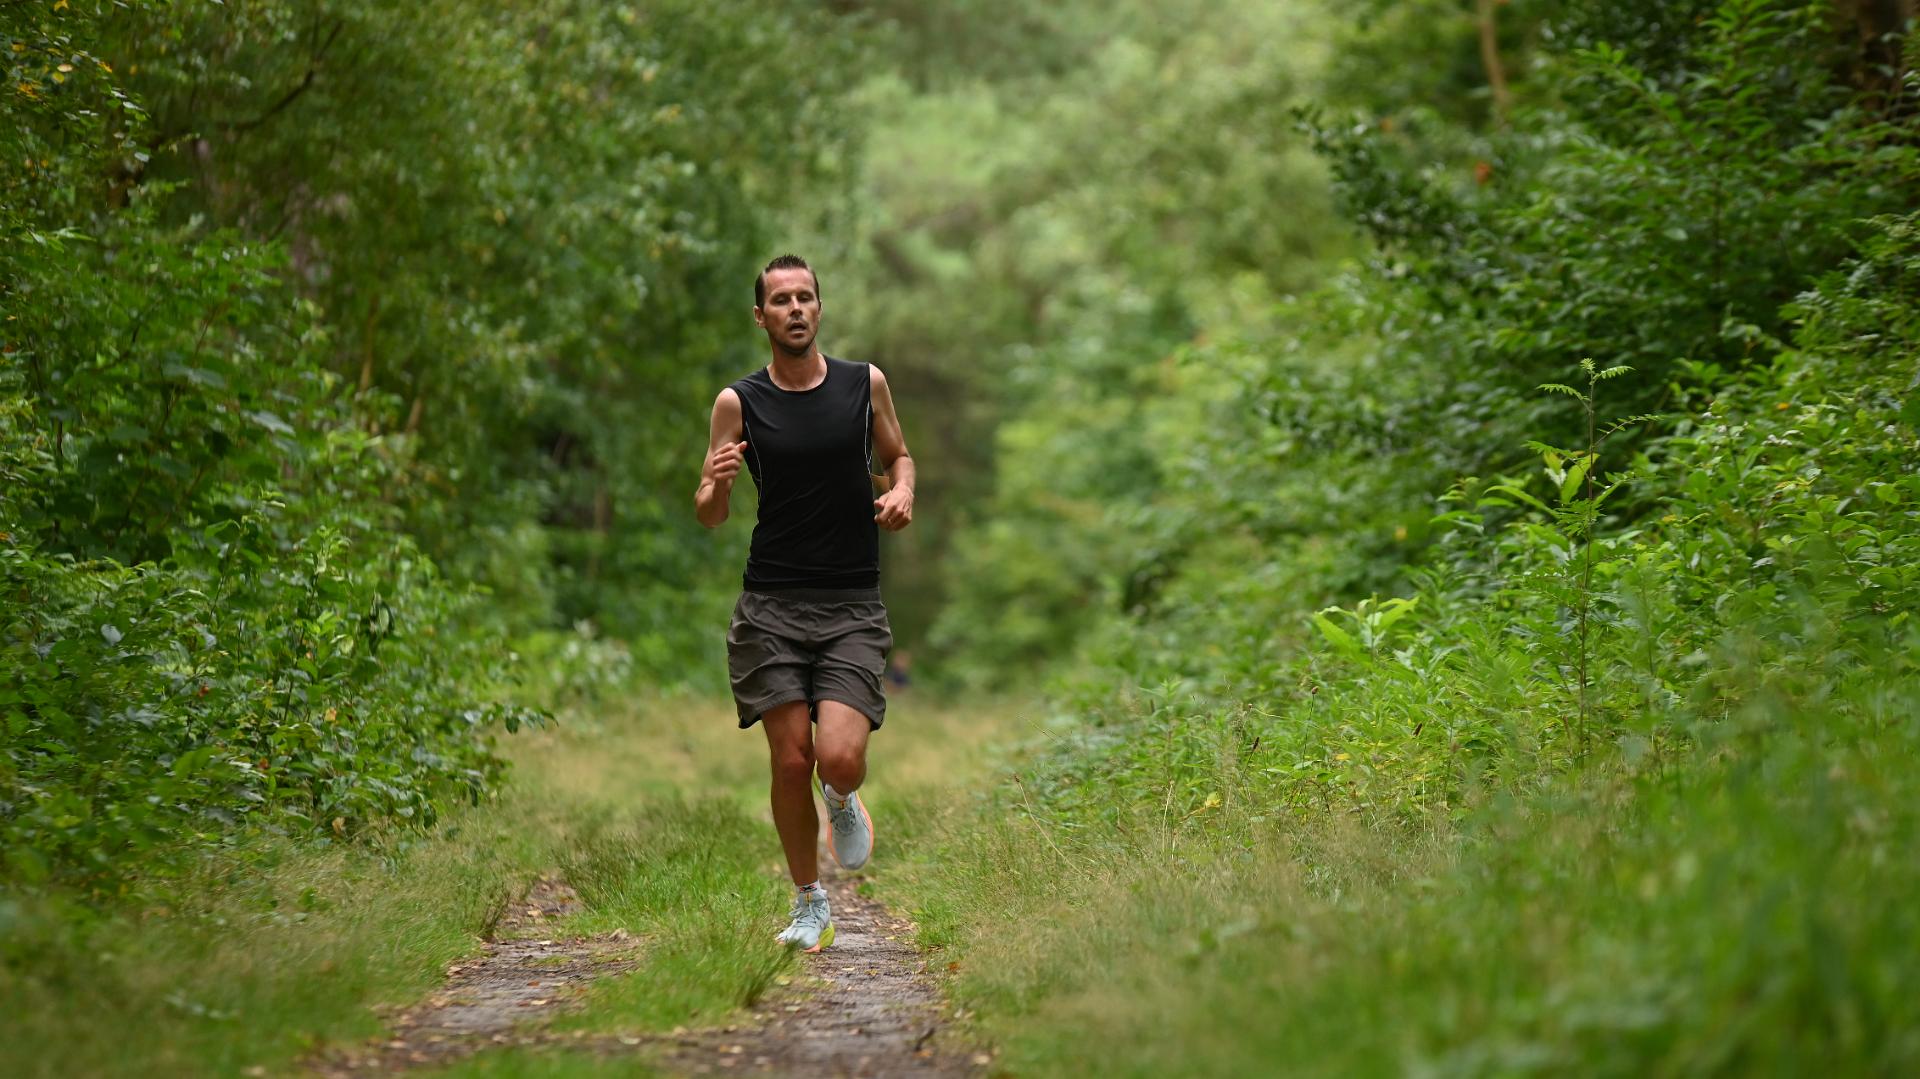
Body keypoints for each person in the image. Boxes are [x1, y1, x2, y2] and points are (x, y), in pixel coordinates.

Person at [694, 254, 916, 953]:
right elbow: (709, 513)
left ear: (819, 308)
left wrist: (903, 490)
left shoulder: (863, 384)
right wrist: (717, 482)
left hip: (851, 603)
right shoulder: (738, 403)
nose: (795, 308)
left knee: (837, 758)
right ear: (760, 316)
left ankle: (842, 797)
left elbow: (898, 456)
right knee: (791, 761)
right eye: (781, 300)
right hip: (771, 607)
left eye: (805, 298)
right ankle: (809, 901)